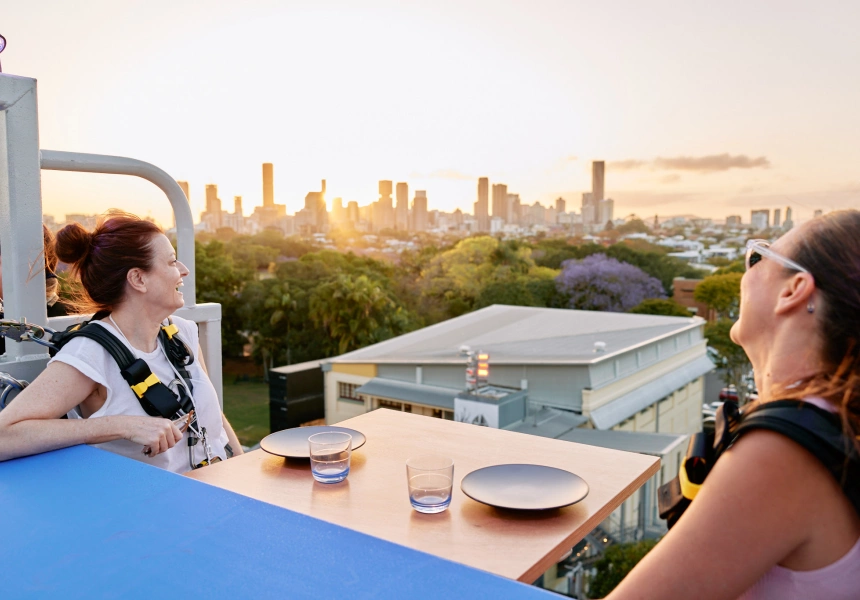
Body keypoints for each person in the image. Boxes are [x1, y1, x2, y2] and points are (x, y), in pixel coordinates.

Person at [605, 210, 860, 599]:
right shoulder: (835, 423)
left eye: (758, 257)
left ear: (793, 290)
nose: (747, 272)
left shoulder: (785, 453)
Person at [0, 212, 243, 473]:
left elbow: (214, 417)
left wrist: (242, 468)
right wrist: (122, 425)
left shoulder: (182, 332)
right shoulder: (90, 353)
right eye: (172, 262)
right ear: (138, 279)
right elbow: (4, 436)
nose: (184, 270)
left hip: (219, 488)